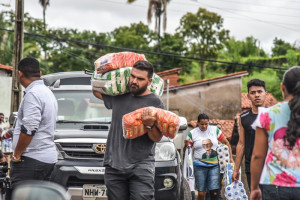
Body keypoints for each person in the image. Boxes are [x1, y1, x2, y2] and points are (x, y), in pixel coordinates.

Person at [92, 60, 164, 200]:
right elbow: (95, 90)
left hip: (141, 167)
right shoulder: (119, 96)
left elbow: (157, 138)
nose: (134, 81)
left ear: (149, 81)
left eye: (140, 79)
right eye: (132, 76)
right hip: (114, 166)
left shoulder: (155, 102)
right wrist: (109, 70)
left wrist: (149, 125)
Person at [250, 66, 300, 200]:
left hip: (274, 186)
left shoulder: (267, 114)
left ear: (282, 87)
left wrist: (254, 188)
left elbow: (257, 156)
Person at [10, 58, 58, 188]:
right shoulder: (48, 92)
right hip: (46, 158)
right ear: (40, 73)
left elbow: (30, 128)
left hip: (31, 160)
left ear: (20, 74)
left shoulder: (33, 94)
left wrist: (17, 154)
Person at [184, 113, 234, 200]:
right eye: (202, 124)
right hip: (199, 166)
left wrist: (231, 158)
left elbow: (226, 143)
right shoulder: (192, 133)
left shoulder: (215, 130)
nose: (204, 126)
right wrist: (186, 145)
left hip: (214, 166)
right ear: (198, 123)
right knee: (201, 193)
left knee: (214, 192)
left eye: (206, 124)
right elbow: (187, 150)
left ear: (209, 122)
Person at [232, 79, 267, 189]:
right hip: (251, 166)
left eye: (259, 91)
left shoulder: (274, 115)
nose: (256, 95)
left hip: (270, 166)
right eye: (253, 93)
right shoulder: (244, 118)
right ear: (248, 96)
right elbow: (241, 144)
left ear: (266, 93)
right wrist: (236, 169)